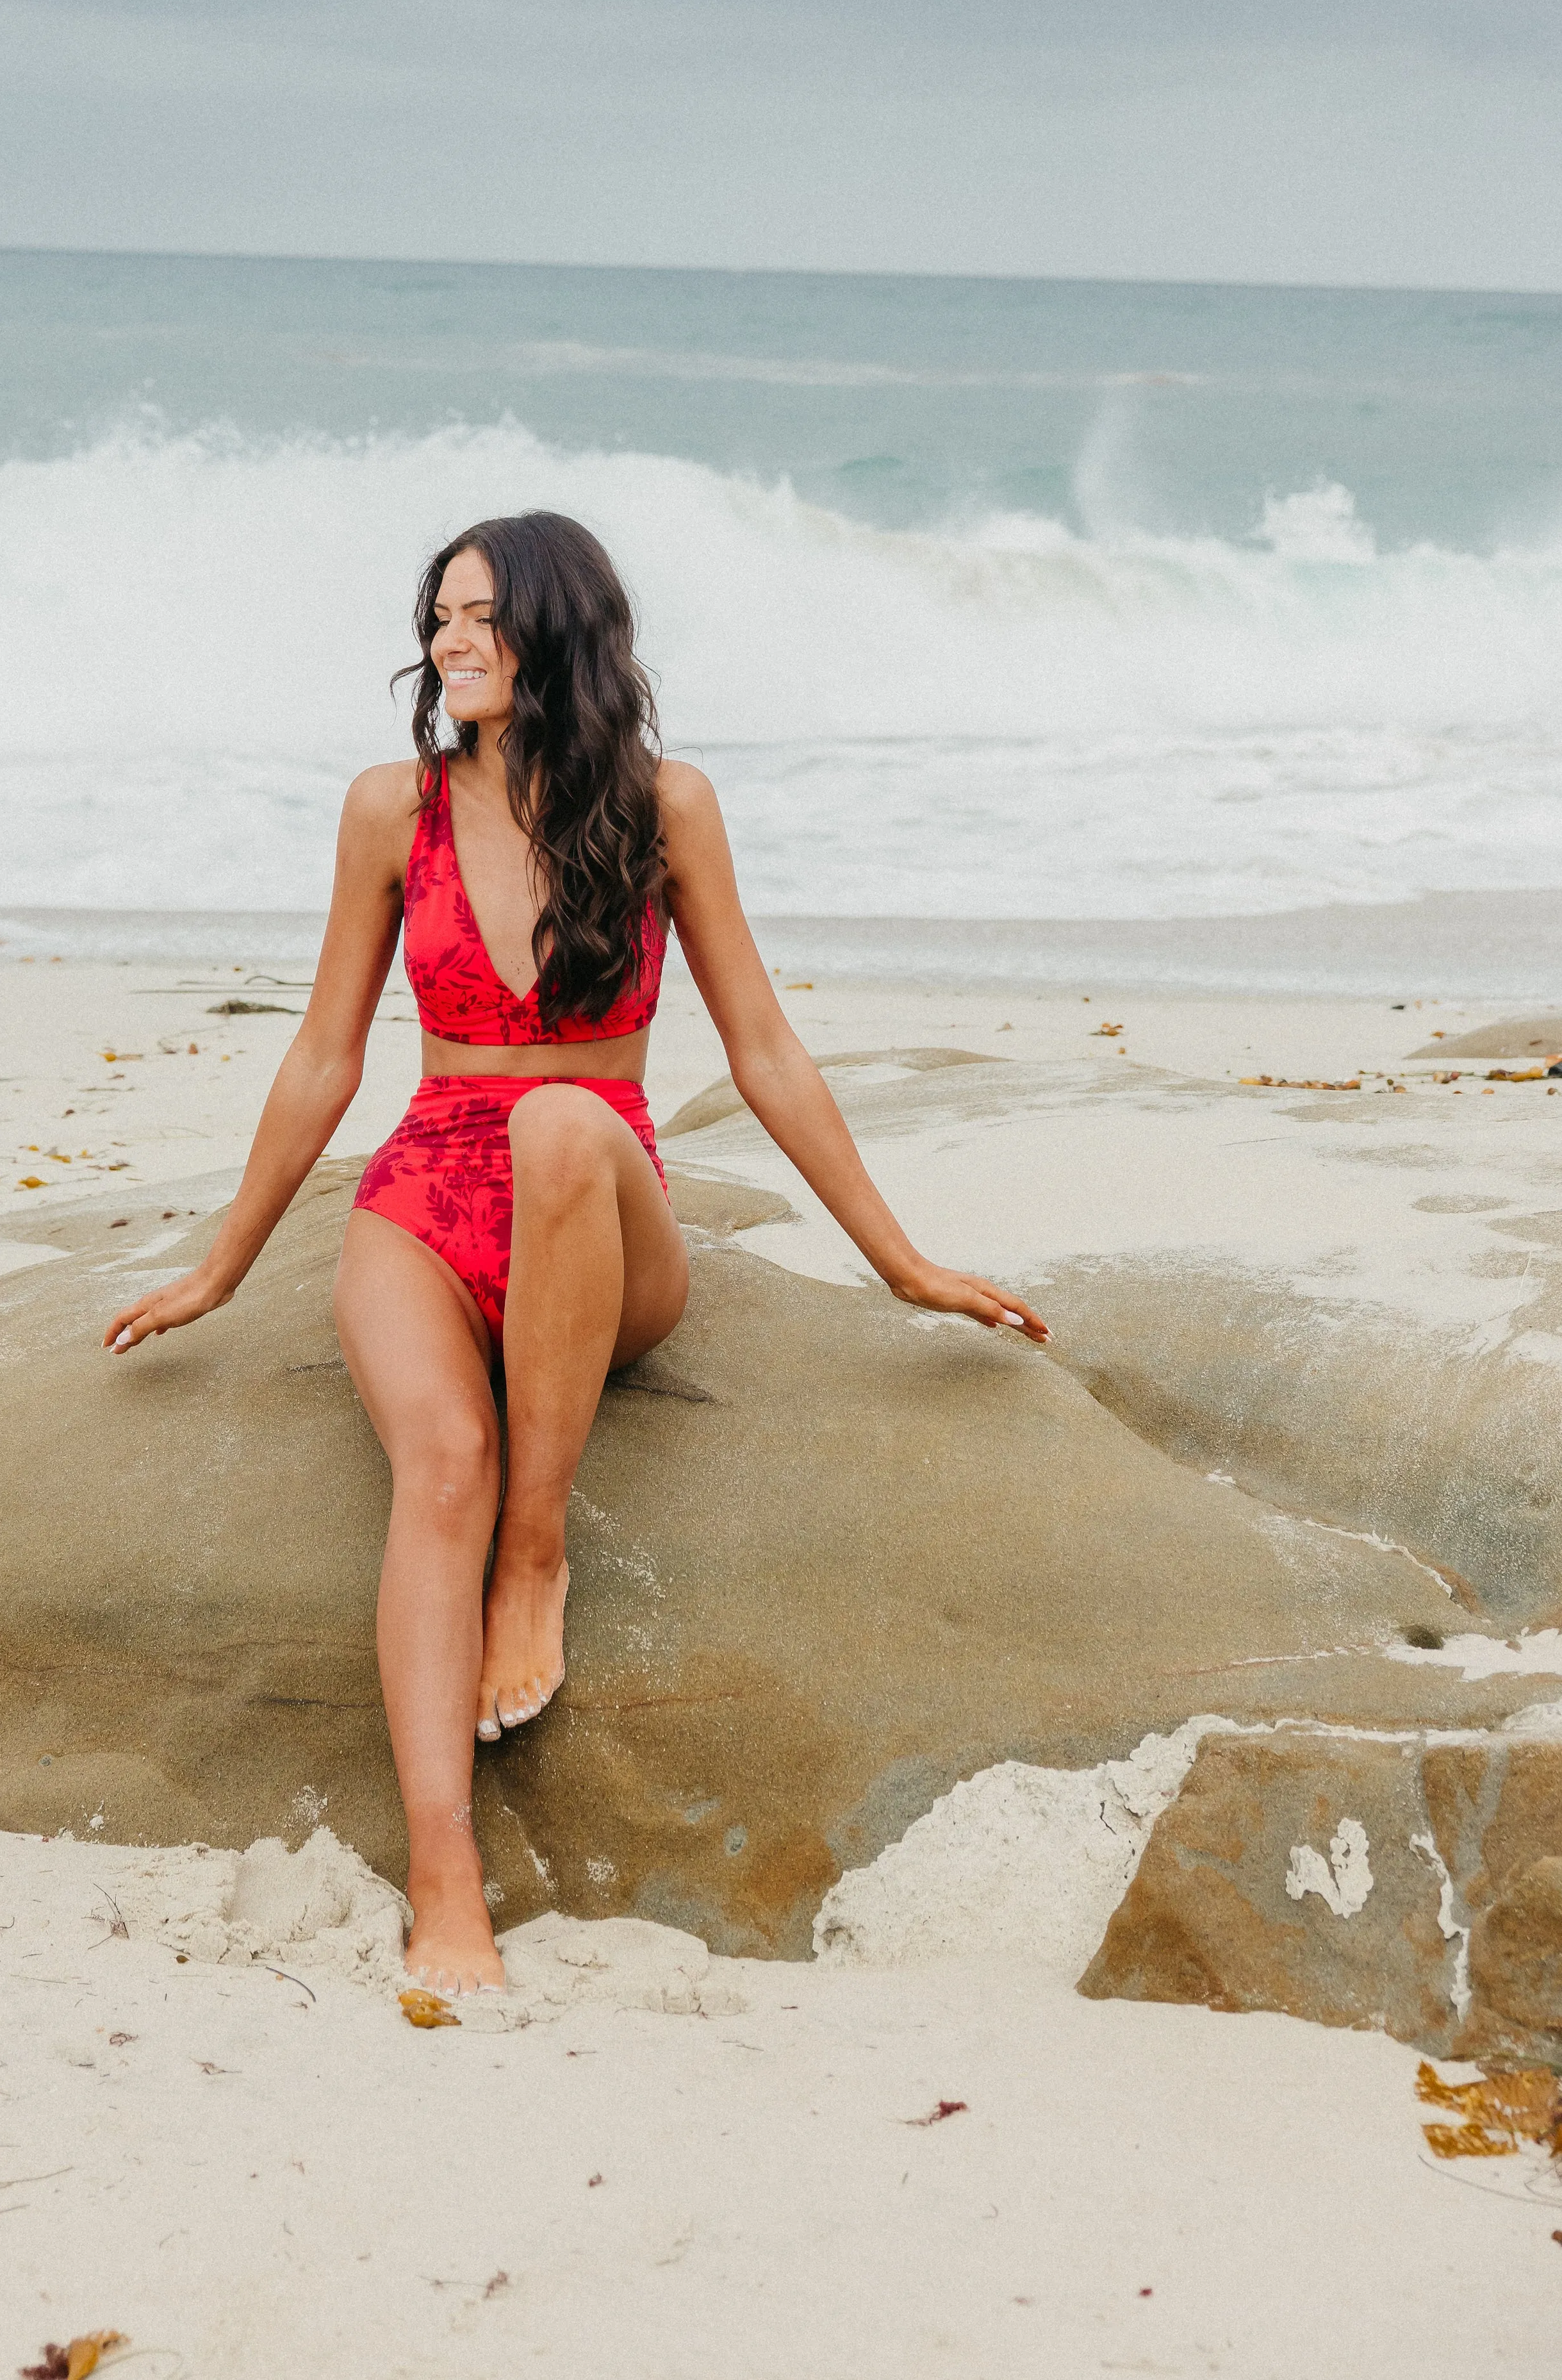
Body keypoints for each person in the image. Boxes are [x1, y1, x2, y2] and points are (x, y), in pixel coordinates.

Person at [105, 511, 1046, 1991]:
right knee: (441, 1466)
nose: (449, 640)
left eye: (480, 613)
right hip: (424, 1193)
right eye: (438, 615)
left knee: (555, 1122)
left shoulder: (666, 807)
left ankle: (533, 1556)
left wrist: (902, 1261)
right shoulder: (389, 810)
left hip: (597, 1197)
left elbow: (764, 1049)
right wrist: (223, 1265)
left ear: (560, 626)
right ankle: (445, 1881)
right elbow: (325, 1055)